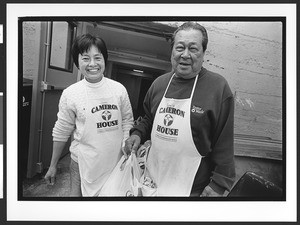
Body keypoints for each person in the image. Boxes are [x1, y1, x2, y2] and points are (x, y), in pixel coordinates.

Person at [124, 22, 235, 197]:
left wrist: (219, 185)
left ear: (203, 53)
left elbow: (225, 142)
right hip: (151, 181)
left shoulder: (218, 88)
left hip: (192, 189)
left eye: (193, 49)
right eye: (180, 47)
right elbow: (148, 119)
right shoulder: (159, 84)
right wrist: (137, 134)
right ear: (172, 51)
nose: (185, 55)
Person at [44, 34, 134, 196]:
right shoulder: (71, 93)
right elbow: (61, 131)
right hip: (81, 163)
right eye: (86, 58)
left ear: (104, 60)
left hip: (115, 163)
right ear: (77, 62)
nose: (92, 64)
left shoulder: (119, 89)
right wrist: (52, 165)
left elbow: (127, 121)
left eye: (97, 58)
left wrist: (126, 149)